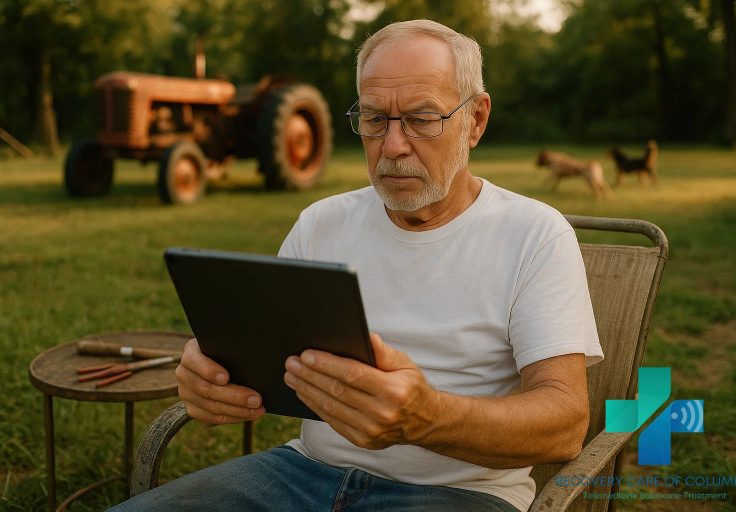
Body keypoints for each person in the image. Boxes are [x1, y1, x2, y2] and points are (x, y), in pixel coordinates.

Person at [112, 19, 603, 512]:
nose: (393, 146)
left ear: (475, 120)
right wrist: (211, 377)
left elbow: (564, 426)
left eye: (421, 118)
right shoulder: (320, 223)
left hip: (460, 493)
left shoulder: (535, 235)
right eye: (374, 119)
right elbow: (262, 361)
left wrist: (425, 417)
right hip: (304, 472)